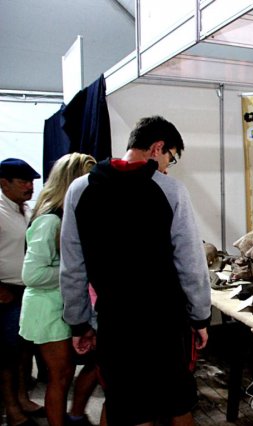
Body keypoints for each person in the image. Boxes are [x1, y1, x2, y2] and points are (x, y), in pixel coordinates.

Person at [60, 116, 212, 426]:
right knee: (176, 404)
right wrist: (200, 317)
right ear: (158, 147)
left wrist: (78, 322)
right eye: (170, 157)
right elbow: (191, 264)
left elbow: (72, 266)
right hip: (165, 322)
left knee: (128, 407)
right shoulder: (170, 190)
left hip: (115, 322)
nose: (167, 167)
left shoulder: (79, 189)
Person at [20, 153, 99, 426]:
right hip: (47, 308)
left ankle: (75, 415)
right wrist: (75, 272)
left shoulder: (69, 217)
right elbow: (32, 274)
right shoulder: (50, 221)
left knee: (89, 366)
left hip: (65, 306)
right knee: (61, 377)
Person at [0, 158, 44, 426]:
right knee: (7, 355)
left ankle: (22, 398)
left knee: (23, 350)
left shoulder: (24, 209)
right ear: (4, 183)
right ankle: (12, 409)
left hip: (25, 290)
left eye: (32, 182)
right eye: (24, 181)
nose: (30, 186)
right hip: (6, 292)